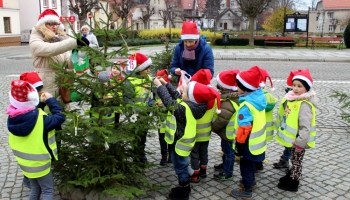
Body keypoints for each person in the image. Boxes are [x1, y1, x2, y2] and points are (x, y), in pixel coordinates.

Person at [153, 77, 220, 200]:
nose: (181, 91)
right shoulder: (192, 105)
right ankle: (185, 181)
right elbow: (177, 96)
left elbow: (169, 102)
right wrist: (166, 84)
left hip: (180, 142)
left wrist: (159, 86)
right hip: (180, 140)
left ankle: (184, 188)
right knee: (180, 162)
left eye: (185, 91)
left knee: (180, 165)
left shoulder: (183, 108)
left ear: (190, 97)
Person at [7, 80, 65, 200]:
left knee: (35, 189)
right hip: (40, 164)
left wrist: (41, 104)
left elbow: (29, 114)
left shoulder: (13, 117)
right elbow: (59, 117)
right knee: (48, 191)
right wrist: (50, 100)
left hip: (25, 164)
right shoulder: (42, 121)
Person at [30, 9, 89, 96]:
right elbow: (49, 49)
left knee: (64, 108)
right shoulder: (35, 38)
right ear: (42, 25)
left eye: (56, 24)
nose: (54, 27)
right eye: (50, 24)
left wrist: (78, 53)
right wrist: (73, 42)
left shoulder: (59, 40)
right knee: (48, 108)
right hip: (45, 83)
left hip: (63, 83)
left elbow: (69, 65)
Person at [276, 69, 317, 192]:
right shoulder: (294, 99)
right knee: (293, 159)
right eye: (294, 85)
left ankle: (294, 181)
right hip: (294, 140)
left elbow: (305, 127)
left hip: (299, 141)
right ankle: (291, 174)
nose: (295, 88)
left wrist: (300, 143)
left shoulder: (304, 104)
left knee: (297, 161)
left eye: (299, 86)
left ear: (307, 88)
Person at [230, 66, 267, 199]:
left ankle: (247, 189)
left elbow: (244, 129)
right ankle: (251, 181)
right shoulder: (259, 99)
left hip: (247, 144)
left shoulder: (246, 106)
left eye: (238, 85)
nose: (236, 87)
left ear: (245, 88)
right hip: (257, 143)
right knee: (251, 164)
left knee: (245, 166)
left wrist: (239, 146)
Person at [188, 69, 217, 183]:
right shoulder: (213, 97)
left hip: (195, 132)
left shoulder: (193, 98)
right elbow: (215, 116)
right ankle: (204, 170)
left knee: (194, 153)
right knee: (204, 152)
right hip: (206, 133)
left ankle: (195, 174)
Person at [124, 52, 153, 163]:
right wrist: (133, 111)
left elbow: (151, 94)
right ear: (138, 69)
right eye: (146, 68)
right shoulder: (129, 82)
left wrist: (150, 105)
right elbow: (128, 100)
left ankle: (141, 152)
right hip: (134, 114)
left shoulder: (148, 79)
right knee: (135, 135)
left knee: (143, 134)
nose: (148, 71)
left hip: (145, 113)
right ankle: (136, 154)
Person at [211, 69, 240, 181]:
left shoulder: (228, 102)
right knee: (225, 150)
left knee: (229, 153)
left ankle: (228, 172)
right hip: (227, 133)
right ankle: (225, 165)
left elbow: (223, 119)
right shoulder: (231, 98)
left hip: (229, 133)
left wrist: (213, 127)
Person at [18, 71, 45, 189]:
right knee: (30, 158)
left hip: (35, 135)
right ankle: (27, 179)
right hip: (28, 137)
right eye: (38, 90)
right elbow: (33, 114)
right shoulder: (25, 106)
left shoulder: (32, 101)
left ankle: (31, 178)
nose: (40, 93)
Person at [273, 70, 299, 169]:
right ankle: (285, 159)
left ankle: (291, 167)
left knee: (291, 147)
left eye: (288, 90)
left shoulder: (296, 101)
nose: (287, 92)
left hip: (294, 130)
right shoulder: (289, 98)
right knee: (288, 146)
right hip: (289, 128)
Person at [254, 68, 278, 172]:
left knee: (255, 147)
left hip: (257, 128)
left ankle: (255, 164)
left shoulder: (255, 97)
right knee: (262, 146)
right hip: (267, 129)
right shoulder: (269, 97)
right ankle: (260, 163)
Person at [154, 69, 172, 166]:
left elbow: (173, 103)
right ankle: (164, 156)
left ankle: (171, 156)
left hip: (170, 119)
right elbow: (151, 100)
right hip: (160, 119)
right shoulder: (155, 89)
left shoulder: (170, 88)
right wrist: (156, 104)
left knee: (171, 137)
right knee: (162, 139)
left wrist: (164, 105)